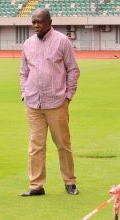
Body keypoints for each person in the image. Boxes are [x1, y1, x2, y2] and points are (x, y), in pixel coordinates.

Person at [19, 8, 80, 196]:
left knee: (63, 144)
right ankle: (36, 185)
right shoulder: (28, 44)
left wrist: (68, 96)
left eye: (40, 22)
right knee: (35, 146)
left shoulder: (62, 41)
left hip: (56, 103)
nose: (36, 25)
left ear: (50, 22)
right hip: (33, 104)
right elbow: (24, 71)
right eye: (34, 22)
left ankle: (69, 182)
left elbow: (73, 70)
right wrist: (24, 92)